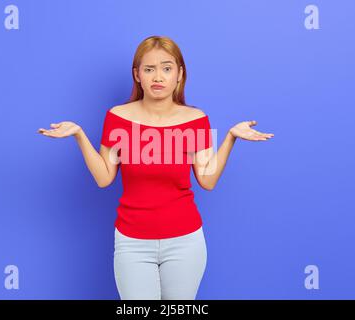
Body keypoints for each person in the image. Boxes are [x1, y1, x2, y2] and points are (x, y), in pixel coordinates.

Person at [37, 35, 274, 300]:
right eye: (149, 69)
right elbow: (104, 177)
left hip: (185, 241)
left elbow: (207, 180)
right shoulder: (118, 117)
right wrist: (79, 135)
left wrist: (230, 137)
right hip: (132, 242)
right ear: (137, 75)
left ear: (180, 74)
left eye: (166, 68)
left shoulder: (196, 120)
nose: (158, 77)